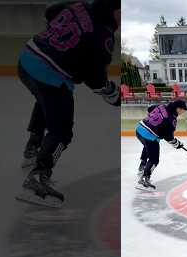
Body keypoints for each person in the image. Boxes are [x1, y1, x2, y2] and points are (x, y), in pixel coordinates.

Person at [16, 0, 121, 208]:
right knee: (62, 131)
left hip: (27, 60)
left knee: (44, 100)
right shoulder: (104, 34)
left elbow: (51, 10)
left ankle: (32, 148)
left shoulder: (82, 4)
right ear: (116, 10)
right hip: (50, 74)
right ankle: (37, 179)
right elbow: (95, 78)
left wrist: (56, 38)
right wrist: (112, 94)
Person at [136, 100, 187, 190]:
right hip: (149, 136)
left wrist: (154, 121)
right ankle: (144, 178)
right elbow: (168, 137)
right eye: (183, 109)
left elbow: (150, 109)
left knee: (147, 146)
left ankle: (142, 165)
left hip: (139, 130)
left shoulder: (161, 106)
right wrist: (177, 144)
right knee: (154, 159)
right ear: (178, 109)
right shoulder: (171, 120)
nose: (184, 112)